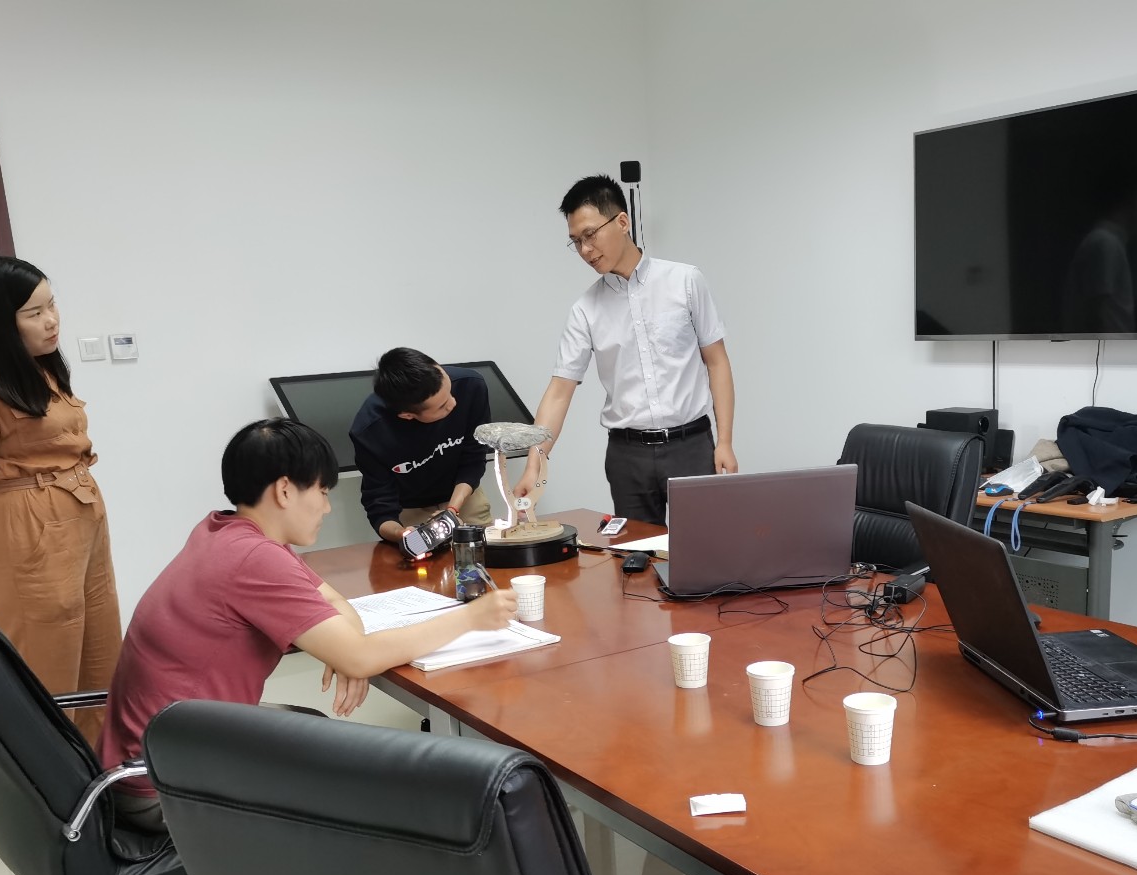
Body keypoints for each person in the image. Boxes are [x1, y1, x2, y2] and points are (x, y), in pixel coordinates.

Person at [98, 418, 517, 832]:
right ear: (285, 490)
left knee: (314, 730)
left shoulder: (225, 531)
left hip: (160, 750)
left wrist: (346, 648)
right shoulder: (255, 558)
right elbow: (360, 655)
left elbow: (333, 602)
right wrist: (470, 617)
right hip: (164, 786)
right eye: (322, 491)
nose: (327, 507)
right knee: (356, 774)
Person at [0, 256, 120, 744]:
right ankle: (49, 776)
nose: (52, 320)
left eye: (51, 305)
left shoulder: (39, 369)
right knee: (47, 662)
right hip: (29, 527)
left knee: (100, 653)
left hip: (82, 513)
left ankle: (102, 766)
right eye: (34, 313)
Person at [515, 174, 737, 525]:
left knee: (703, 546)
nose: (585, 250)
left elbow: (717, 362)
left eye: (590, 234)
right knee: (637, 554)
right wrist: (534, 464)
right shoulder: (585, 310)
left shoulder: (685, 281)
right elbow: (559, 391)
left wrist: (724, 441)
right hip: (627, 456)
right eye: (576, 241)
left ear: (622, 222)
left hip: (691, 446)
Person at [349, 348, 493, 545]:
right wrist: (402, 534)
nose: (453, 403)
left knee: (483, 555)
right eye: (441, 406)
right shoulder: (370, 431)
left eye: (450, 391)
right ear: (407, 415)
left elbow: (474, 456)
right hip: (411, 511)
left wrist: (452, 510)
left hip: (465, 496)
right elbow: (379, 505)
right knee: (420, 560)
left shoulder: (470, 385)